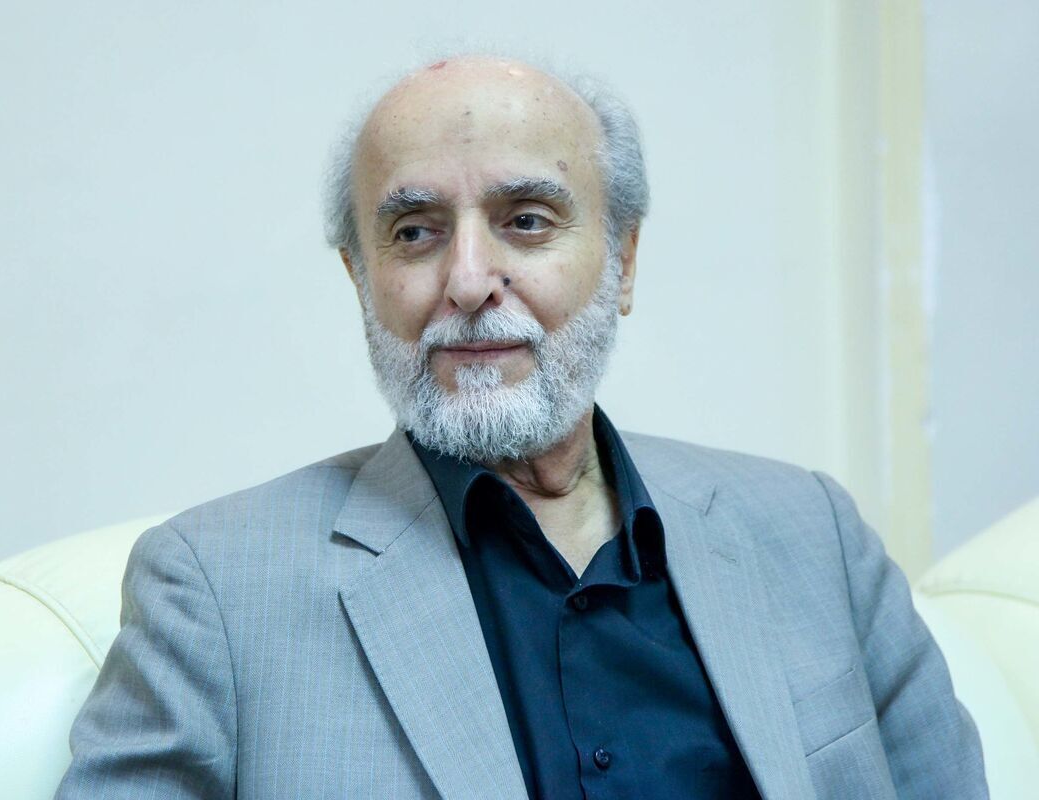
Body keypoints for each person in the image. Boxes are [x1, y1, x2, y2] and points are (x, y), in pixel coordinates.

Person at [56, 55, 987, 799]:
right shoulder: (214, 592)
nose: (468, 281)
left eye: (528, 220)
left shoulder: (811, 534)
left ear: (622, 260)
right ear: (360, 279)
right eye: (414, 232)